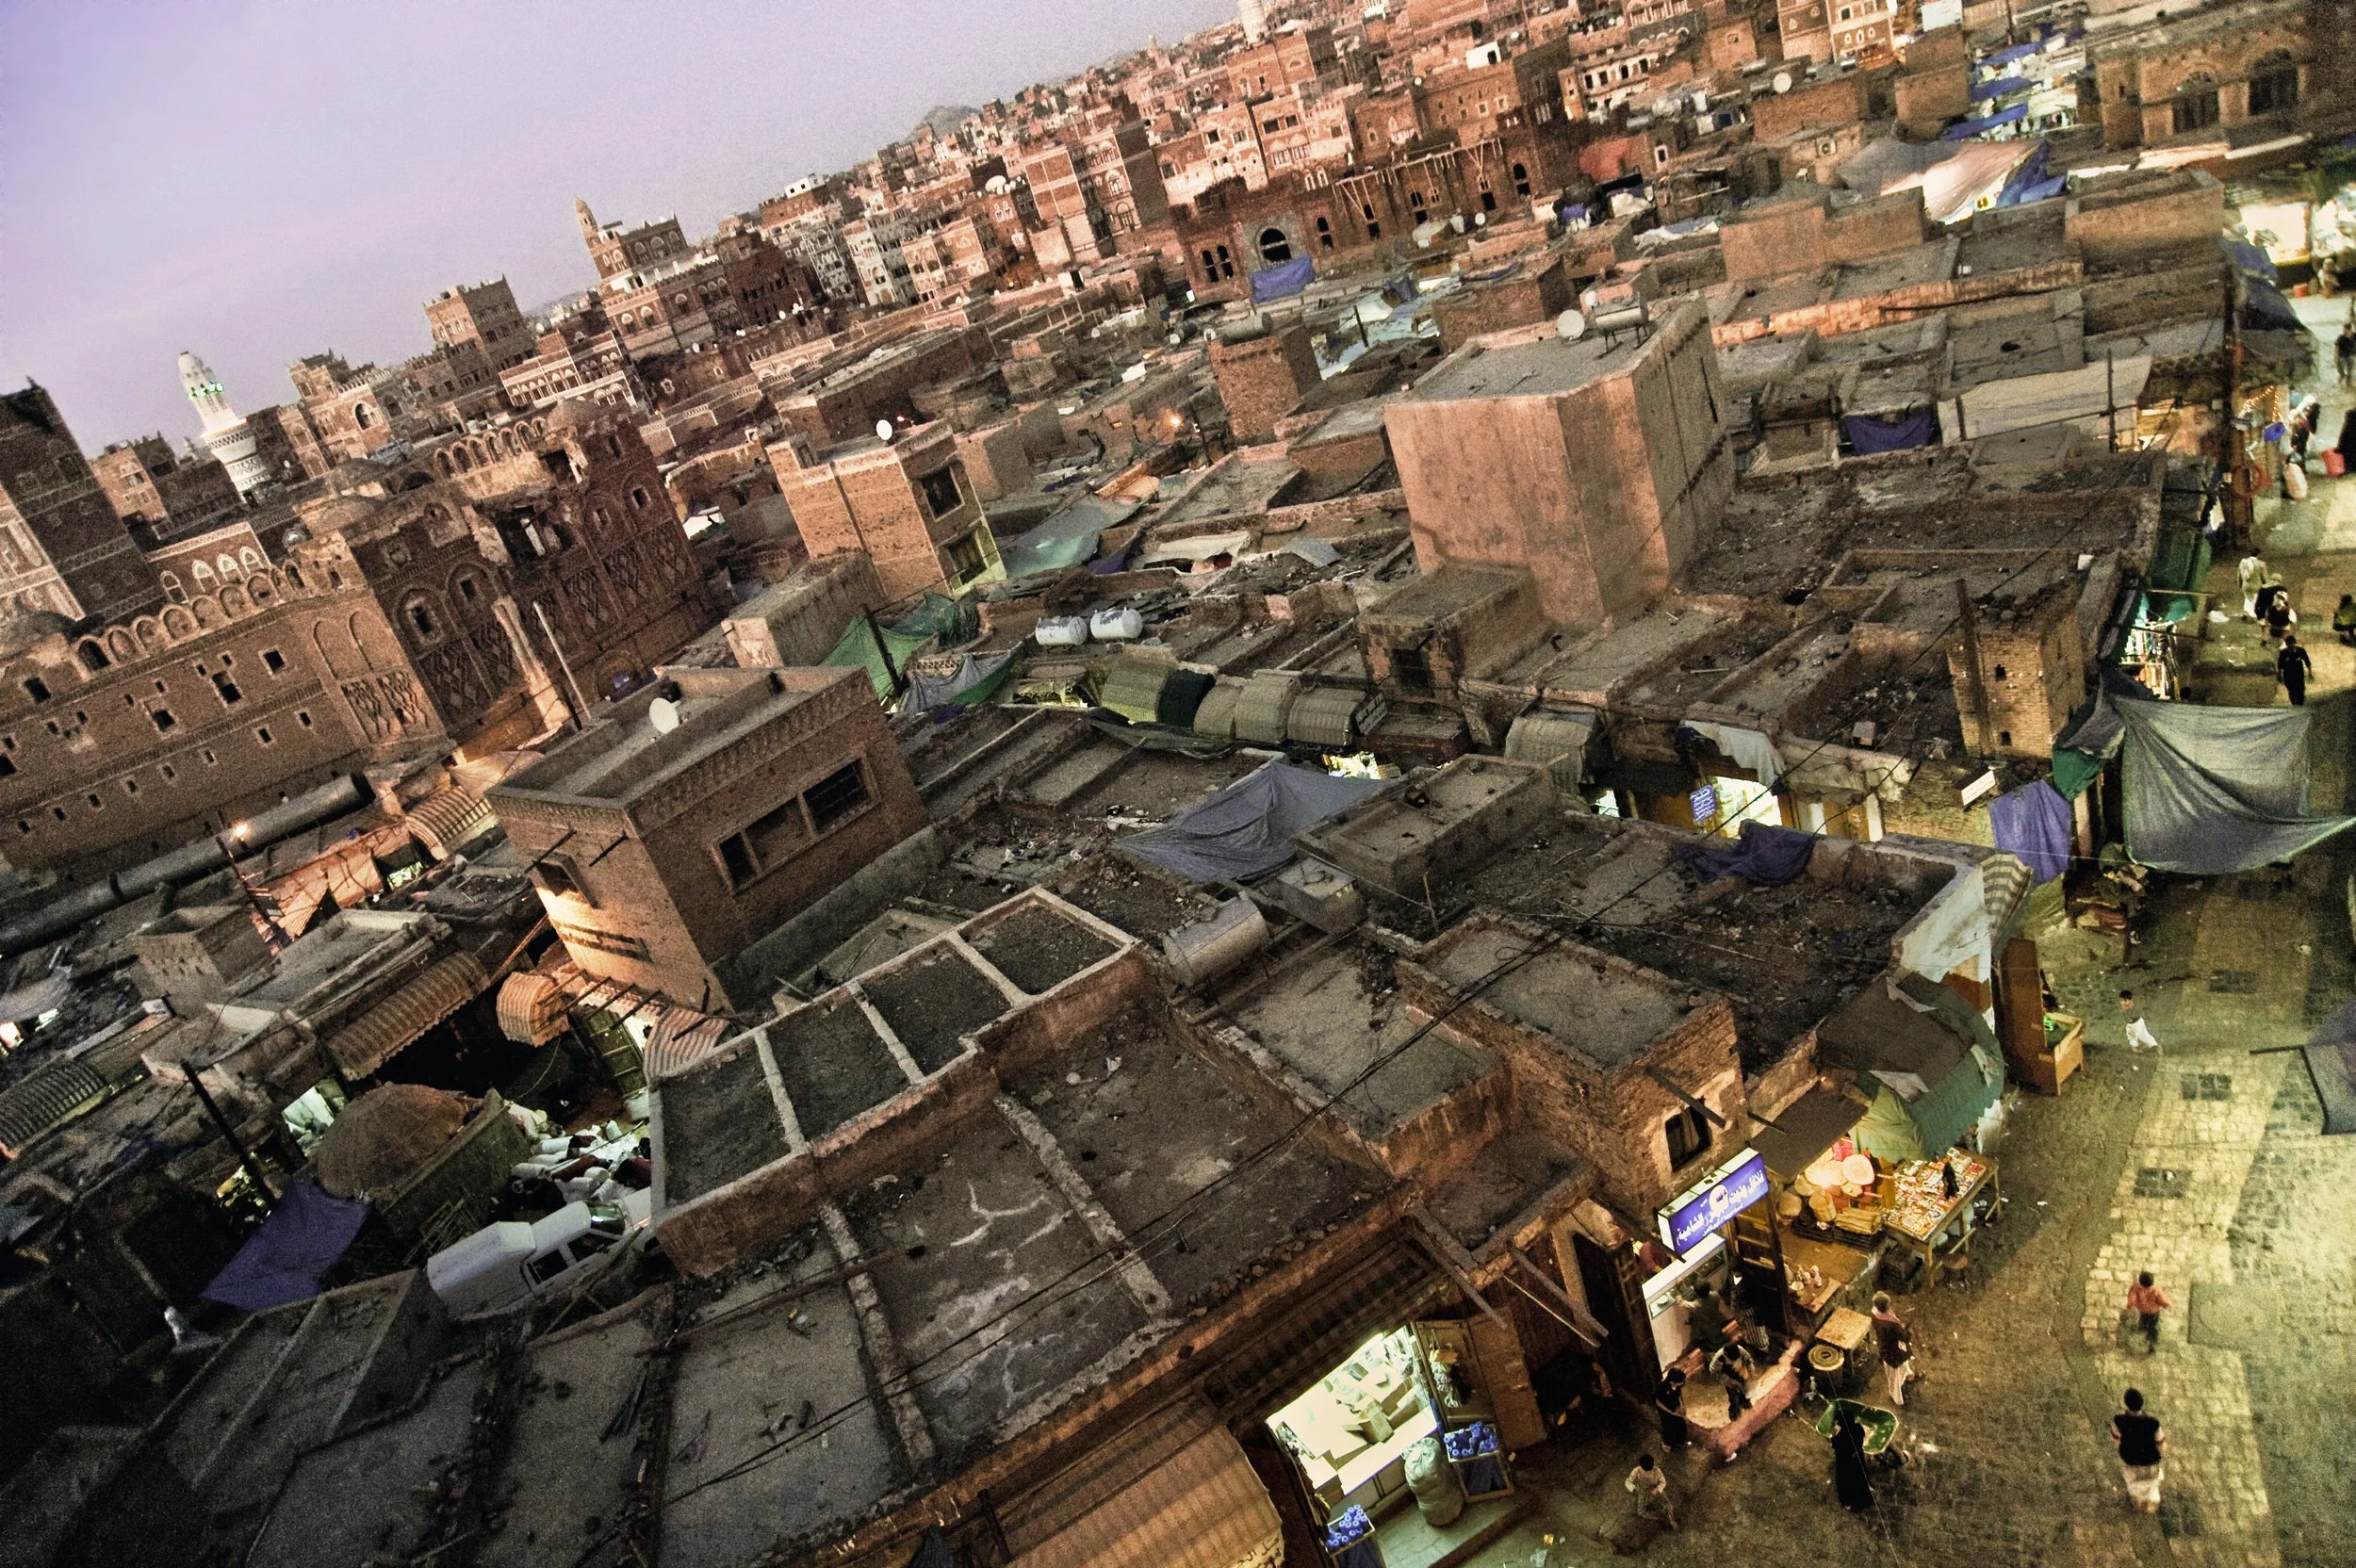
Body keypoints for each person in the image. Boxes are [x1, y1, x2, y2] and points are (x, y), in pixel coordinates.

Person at [2111, 1388, 2167, 1513]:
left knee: (2134, 1485)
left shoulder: (2119, 1420)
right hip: (2151, 1461)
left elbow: (2116, 1441)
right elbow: (2161, 1443)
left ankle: (2138, 1504)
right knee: (2152, 1484)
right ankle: (2150, 1506)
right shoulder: (2153, 1423)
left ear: (2126, 1404)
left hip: (2130, 1460)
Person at [1871, 1291, 1915, 1406]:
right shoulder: (1892, 1325)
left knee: (1900, 1366)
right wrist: (1906, 1331)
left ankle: (1908, 1374)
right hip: (1894, 1352)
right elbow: (1905, 1337)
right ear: (1886, 1306)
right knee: (1894, 1376)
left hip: (1884, 1347)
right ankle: (1897, 1398)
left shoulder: (1874, 1313)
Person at [1831, 1409, 1875, 1512]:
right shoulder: (1858, 1428)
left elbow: (1835, 1446)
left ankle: (1847, 1502)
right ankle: (1865, 1497)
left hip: (1846, 1463)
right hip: (1858, 1458)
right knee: (1860, 1477)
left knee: (1845, 1482)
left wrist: (1835, 1435)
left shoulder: (1840, 1438)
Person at [1626, 1453, 1677, 1530]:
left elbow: (1663, 1482)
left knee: (1668, 1506)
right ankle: (1658, 1518)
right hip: (1643, 1491)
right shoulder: (1636, 1471)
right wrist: (1635, 1489)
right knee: (1640, 1512)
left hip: (1656, 1490)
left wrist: (1657, 1490)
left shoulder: (1657, 1470)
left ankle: (1672, 1520)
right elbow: (1628, 1482)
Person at [2126, 1271, 2171, 1354]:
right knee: (2153, 1326)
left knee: (2143, 1319)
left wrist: (2129, 1306)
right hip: (2154, 1312)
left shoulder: (2136, 1288)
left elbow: (2132, 1300)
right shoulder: (2155, 1290)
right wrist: (2167, 1305)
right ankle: (2152, 1343)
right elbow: (2162, 1300)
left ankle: (2143, 1327)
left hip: (2143, 1310)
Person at [1654, 1367, 1689, 1449]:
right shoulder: (1662, 1387)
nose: (1683, 1382)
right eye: (1681, 1381)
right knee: (1669, 1429)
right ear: (1672, 1381)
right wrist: (1671, 1412)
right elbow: (1658, 1402)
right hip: (1666, 1411)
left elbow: (1679, 1395)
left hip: (1675, 1408)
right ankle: (1667, 1444)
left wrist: (1683, 1406)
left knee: (1682, 1426)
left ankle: (1680, 1442)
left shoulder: (1678, 1386)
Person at [2119, 989, 2162, 1054]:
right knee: (2131, 1036)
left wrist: (2131, 1017)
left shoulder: (2133, 1006)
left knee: (2142, 1036)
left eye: (2124, 1000)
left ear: (2129, 1000)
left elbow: (2135, 1014)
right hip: (2129, 1024)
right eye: (2121, 1000)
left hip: (2137, 1023)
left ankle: (2156, 1046)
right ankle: (2135, 1048)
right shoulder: (2123, 1007)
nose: (2122, 1002)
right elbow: (2124, 1015)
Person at [2238, 553, 2269, 619]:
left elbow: (2239, 576)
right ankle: (2252, 615)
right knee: (2255, 600)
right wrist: (2267, 585)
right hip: (2256, 585)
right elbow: (2264, 577)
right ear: (2258, 555)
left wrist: (2240, 584)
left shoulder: (2244, 563)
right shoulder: (2261, 564)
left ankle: (2246, 612)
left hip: (2245, 585)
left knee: (2247, 598)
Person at [2338, 321, 2356, 387]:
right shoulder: (2341, 337)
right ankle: (2342, 376)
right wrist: (2335, 356)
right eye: (2343, 329)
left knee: (2350, 369)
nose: (2343, 331)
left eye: (2345, 329)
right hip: (2342, 355)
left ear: (2349, 329)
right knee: (2341, 369)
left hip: (2351, 355)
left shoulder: (2354, 335)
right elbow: (2336, 346)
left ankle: (2348, 382)